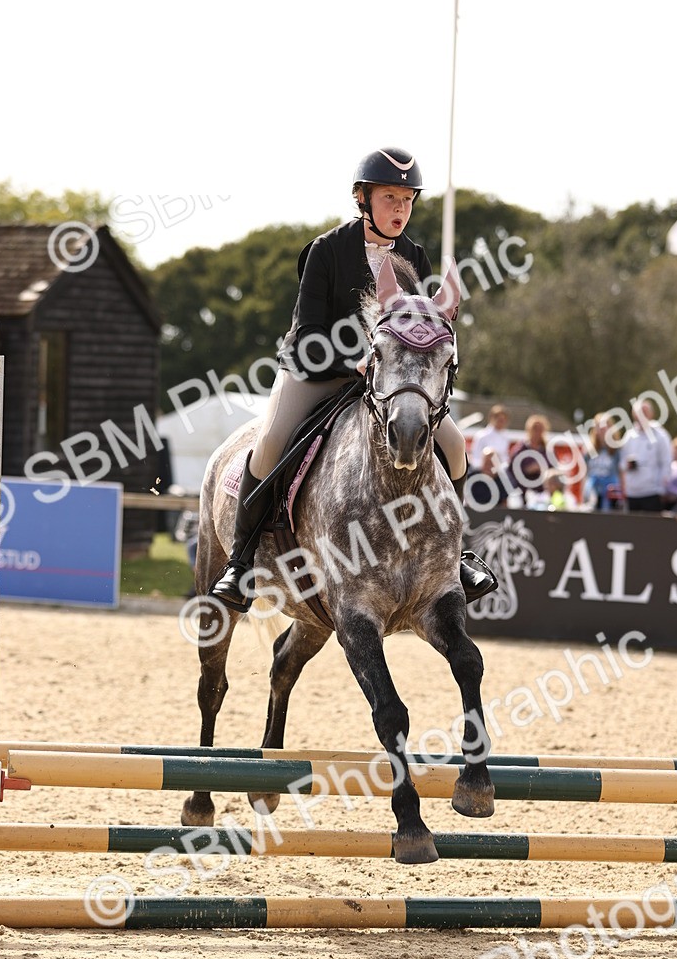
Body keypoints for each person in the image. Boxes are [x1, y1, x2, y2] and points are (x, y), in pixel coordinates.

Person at [210, 148, 497, 612]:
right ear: (363, 199)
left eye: (407, 199)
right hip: (316, 370)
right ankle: (241, 562)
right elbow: (307, 331)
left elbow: (420, 331)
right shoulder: (326, 251)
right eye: (390, 198)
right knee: (271, 442)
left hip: (388, 385)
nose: (400, 209)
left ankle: (456, 553)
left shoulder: (415, 256)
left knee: (456, 444)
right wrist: (356, 360)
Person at [616, 398, 672, 513]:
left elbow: (666, 463)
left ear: (651, 414)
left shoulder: (660, 436)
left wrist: (661, 489)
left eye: (645, 412)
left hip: (652, 492)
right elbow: (622, 464)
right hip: (632, 493)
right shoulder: (629, 436)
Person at [505, 414, 551, 498]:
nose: (537, 432)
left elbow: (554, 470)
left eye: (540, 429)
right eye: (535, 429)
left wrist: (543, 470)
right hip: (522, 492)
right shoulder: (520, 449)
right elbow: (511, 471)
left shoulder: (547, 451)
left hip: (542, 493)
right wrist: (527, 469)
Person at [582, 413, 620, 511]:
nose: (602, 430)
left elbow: (621, 473)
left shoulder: (616, 450)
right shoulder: (589, 451)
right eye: (599, 427)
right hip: (592, 493)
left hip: (611, 494)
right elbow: (585, 474)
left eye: (604, 427)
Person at [469, 404, 511, 474]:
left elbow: (504, 458)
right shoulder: (481, 436)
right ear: (492, 418)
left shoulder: (505, 437)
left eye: (504, 420)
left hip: (499, 474)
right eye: (500, 420)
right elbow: (475, 458)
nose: (502, 423)